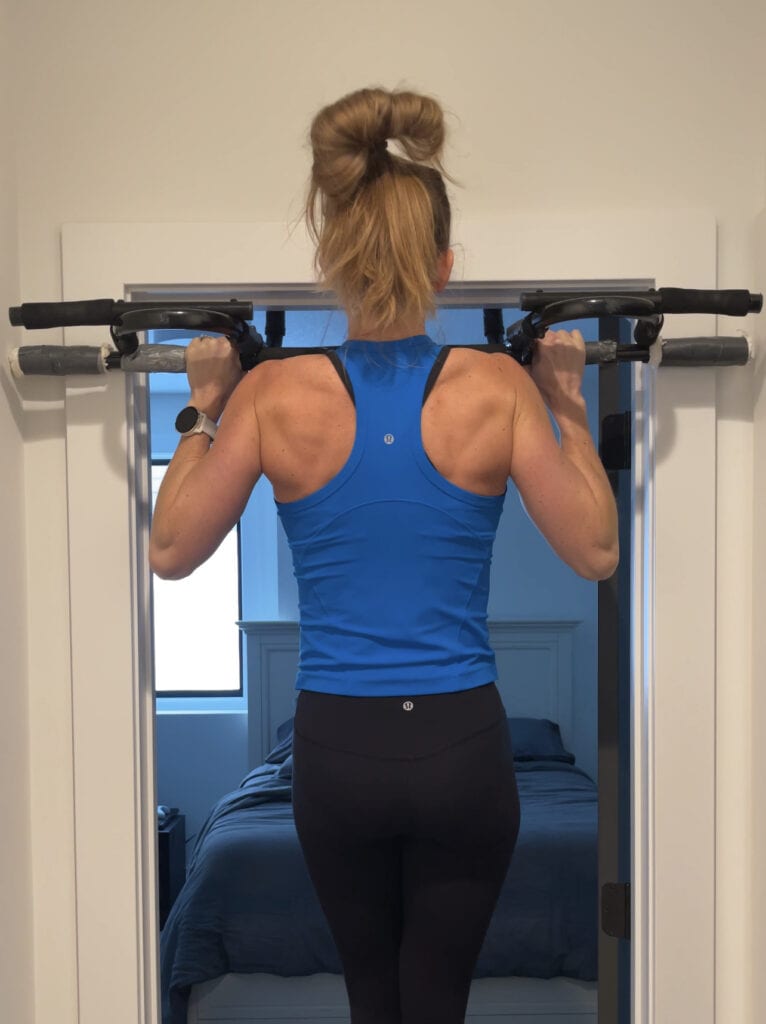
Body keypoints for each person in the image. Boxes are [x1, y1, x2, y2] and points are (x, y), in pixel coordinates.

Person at [149, 86, 619, 1024]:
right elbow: (598, 549)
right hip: (462, 751)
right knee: (435, 1003)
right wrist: (565, 401)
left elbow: (169, 549)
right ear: (445, 265)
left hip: (338, 751)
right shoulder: (497, 388)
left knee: (376, 1002)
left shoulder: (271, 396)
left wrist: (207, 400)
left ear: (331, 258)